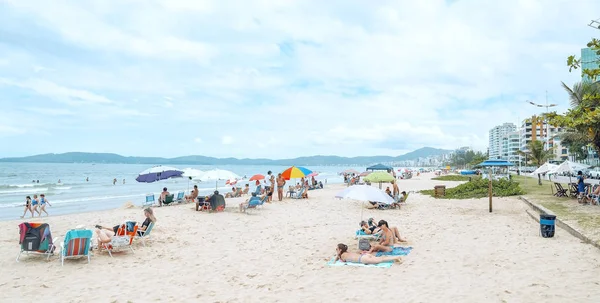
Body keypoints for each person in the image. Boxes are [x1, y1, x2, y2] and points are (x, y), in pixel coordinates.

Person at [334, 243, 402, 264]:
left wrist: (337, 256)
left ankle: (396, 257)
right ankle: (395, 258)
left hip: (363, 259)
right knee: (380, 258)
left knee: (380, 260)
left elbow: (339, 259)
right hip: (364, 255)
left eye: (337, 249)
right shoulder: (347, 253)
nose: (336, 250)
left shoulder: (342, 256)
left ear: (340, 250)